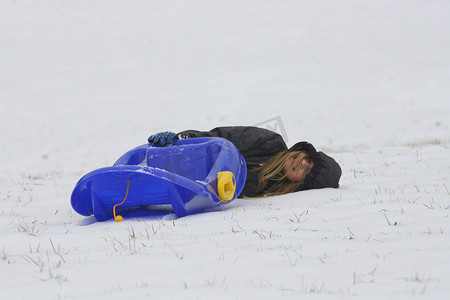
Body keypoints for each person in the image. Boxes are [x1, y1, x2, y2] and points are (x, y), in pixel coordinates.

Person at [148, 126, 341, 198]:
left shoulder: (266, 192)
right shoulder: (270, 142)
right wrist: (184, 139)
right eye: (308, 158)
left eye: (307, 171)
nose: (302, 163)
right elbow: (221, 137)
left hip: (182, 189)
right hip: (184, 158)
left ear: (300, 185)